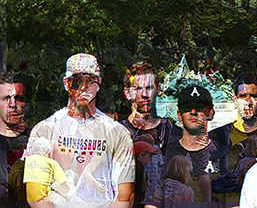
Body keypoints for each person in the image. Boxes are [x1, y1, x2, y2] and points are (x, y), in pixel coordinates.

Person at [24, 53, 134, 207]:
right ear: (65, 83)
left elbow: (124, 195)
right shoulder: (44, 130)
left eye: (89, 81)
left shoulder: (117, 132)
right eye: (76, 81)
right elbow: (35, 196)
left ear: (99, 83)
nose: (83, 87)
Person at [152, 84, 218, 205]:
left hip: (180, 129)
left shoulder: (184, 98)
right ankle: (207, 202)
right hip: (197, 133)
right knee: (202, 171)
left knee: (169, 167)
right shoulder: (204, 99)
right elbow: (210, 115)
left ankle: (163, 198)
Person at [209, 72, 257, 204]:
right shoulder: (223, 127)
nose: (248, 102)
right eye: (243, 96)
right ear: (234, 99)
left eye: (254, 96)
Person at [118, 64, 174, 158]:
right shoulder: (117, 130)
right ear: (127, 93)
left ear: (158, 90)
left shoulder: (168, 130)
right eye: (138, 88)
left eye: (149, 88)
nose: (145, 94)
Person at [0, 72, 30, 206]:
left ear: (27, 104)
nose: (12, 105)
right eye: (6, 98)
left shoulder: (38, 140)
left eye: (18, 98)